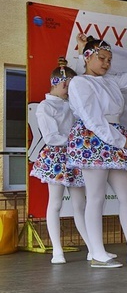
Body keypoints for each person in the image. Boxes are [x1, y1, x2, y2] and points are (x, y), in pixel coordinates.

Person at [67, 34, 127, 268]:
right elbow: (92, 119)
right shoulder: (79, 83)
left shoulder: (110, 81)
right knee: (96, 197)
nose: (106, 63)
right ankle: (97, 252)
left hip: (113, 136)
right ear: (87, 57)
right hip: (95, 138)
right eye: (101, 58)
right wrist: (119, 141)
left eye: (109, 60)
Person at [30, 58, 93, 264]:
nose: (70, 90)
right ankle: (57, 250)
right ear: (60, 83)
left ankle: (93, 248)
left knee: (79, 205)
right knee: (55, 203)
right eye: (68, 85)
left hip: (74, 157)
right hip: (56, 157)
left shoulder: (72, 106)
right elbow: (50, 137)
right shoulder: (45, 107)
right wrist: (75, 141)